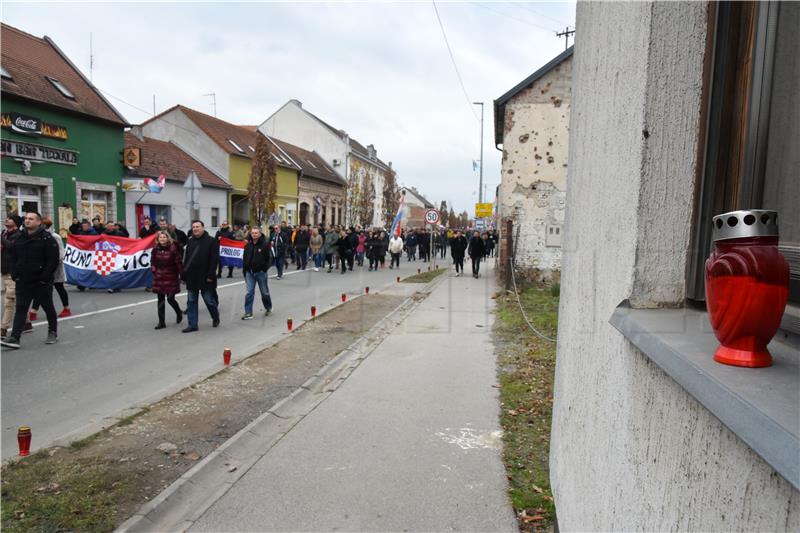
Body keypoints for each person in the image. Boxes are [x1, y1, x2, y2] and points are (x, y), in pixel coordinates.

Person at [1, 212, 59, 349]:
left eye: (31, 219)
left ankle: (52, 332)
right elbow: (13, 256)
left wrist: (44, 278)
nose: (27, 221)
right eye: (26, 219)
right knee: (21, 308)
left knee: (48, 307)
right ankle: (15, 338)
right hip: (23, 280)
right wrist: (15, 274)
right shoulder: (20, 237)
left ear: (39, 222)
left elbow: (52, 261)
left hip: (41, 281)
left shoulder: (47, 238)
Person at [180, 220, 220, 332]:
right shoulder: (190, 241)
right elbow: (187, 259)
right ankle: (192, 325)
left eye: (197, 226)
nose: (195, 229)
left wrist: (211, 275)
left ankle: (215, 316)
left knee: (209, 300)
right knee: (191, 301)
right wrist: (184, 275)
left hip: (206, 276)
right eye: (193, 227)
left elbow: (214, 260)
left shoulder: (212, 241)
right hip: (192, 277)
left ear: (203, 227)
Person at [30, 218, 71, 319]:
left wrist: (53, 264)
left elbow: (61, 252)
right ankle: (33, 311)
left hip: (56, 267)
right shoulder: (38, 236)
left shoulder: (55, 236)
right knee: (41, 287)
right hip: (43, 267)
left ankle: (66, 308)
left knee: (59, 287)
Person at [1, 215, 33, 338]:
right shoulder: (5, 234)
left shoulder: (19, 235)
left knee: (9, 301)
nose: (6, 219)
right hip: (4, 271)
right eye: (6, 218)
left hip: (13, 272)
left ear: (16, 223)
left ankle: (3, 328)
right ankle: (27, 323)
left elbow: (11, 247)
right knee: (17, 299)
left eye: (10, 218)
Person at [150, 230, 183, 329]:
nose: (162, 239)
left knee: (170, 299)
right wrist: (154, 269)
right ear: (158, 239)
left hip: (171, 276)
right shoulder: (155, 249)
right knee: (160, 300)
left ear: (168, 238)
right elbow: (152, 261)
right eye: (160, 237)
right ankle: (161, 322)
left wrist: (182, 275)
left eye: (164, 237)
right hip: (159, 277)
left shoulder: (173, 249)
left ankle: (178, 312)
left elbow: (178, 263)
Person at [241, 226, 273, 320]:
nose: (254, 234)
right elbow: (245, 258)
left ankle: (268, 308)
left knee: (264, 292)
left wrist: (264, 269)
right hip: (249, 273)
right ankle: (248, 312)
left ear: (260, 234)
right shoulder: (248, 246)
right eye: (252, 233)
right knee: (249, 293)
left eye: (256, 233)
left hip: (261, 273)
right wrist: (245, 270)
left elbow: (269, 258)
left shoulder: (265, 245)